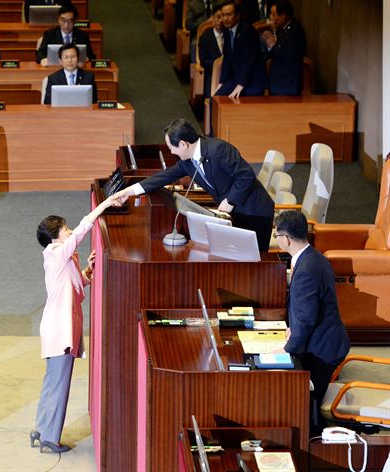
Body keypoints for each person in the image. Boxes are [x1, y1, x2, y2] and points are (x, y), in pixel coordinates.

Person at [31, 194, 117, 453]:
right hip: (60, 330)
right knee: (59, 385)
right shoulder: (57, 253)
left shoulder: (59, 257)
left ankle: (41, 428)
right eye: (65, 229)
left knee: (52, 382)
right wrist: (102, 207)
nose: (69, 232)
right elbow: (81, 232)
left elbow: (74, 289)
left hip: (58, 327)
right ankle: (49, 437)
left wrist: (88, 272)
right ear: (56, 237)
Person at [111, 118, 274, 251]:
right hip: (233, 213)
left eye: (171, 147)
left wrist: (231, 200)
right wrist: (129, 191)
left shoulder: (218, 149)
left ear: (183, 144)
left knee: (257, 259)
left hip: (255, 211)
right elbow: (163, 177)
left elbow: (246, 176)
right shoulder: (187, 162)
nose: (171, 152)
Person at [273, 210, 350, 433]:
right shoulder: (315, 257)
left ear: (285, 239)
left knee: (300, 400)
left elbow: (307, 318)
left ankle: (314, 440)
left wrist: (286, 350)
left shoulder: (306, 269)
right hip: (328, 340)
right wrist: (292, 329)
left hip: (323, 351)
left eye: (276, 235)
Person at [215, 0, 267, 98]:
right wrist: (221, 82)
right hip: (235, 77)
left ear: (238, 15)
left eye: (228, 15)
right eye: (223, 15)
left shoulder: (248, 31)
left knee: (239, 104)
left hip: (253, 80)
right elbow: (227, 58)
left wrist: (241, 84)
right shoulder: (226, 30)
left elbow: (249, 60)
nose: (225, 18)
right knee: (217, 99)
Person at [262, 0, 306, 96]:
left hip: (288, 83)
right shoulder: (282, 28)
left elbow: (287, 56)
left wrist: (272, 45)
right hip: (278, 81)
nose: (273, 19)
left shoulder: (295, 31)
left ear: (283, 15)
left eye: (274, 15)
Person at [198, 4, 224, 98]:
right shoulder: (205, 38)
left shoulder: (230, 36)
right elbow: (204, 62)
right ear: (213, 18)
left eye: (223, 17)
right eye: (218, 17)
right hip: (212, 75)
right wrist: (219, 64)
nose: (220, 20)